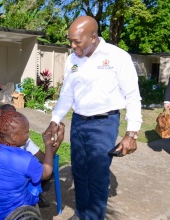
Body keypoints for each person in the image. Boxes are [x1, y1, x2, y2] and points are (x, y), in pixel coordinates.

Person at [44, 16, 142, 220]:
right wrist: (55, 120)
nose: (72, 46)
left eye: (77, 42)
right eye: (70, 40)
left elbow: (132, 95)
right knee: (79, 172)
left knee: (97, 177)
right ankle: (81, 214)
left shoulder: (117, 57)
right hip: (79, 122)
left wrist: (131, 133)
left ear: (94, 38)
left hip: (104, 124)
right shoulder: (73, 59)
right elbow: (66, 94)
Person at [0, 108, 65, 219]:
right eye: (26, 132)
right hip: (6, 212)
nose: (29, 135)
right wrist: (49, 144)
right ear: (13, 137)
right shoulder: (24, 159)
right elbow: (47, 172)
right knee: (35, 183)